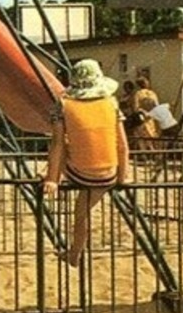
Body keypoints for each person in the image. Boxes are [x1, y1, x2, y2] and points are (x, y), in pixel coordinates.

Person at [42, 59, 130, 266]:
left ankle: (75, 254)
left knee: (61, 143)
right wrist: (122, 177)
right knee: (82, 211)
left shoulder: (64, 105)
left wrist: (52, 179)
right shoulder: (111, 103)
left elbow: (57, 145)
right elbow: (123, 146)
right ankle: (74, 254)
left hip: (80, 171)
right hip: (108, 173)